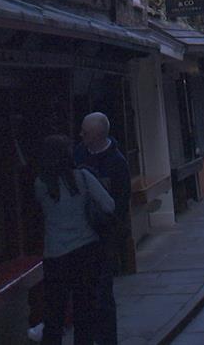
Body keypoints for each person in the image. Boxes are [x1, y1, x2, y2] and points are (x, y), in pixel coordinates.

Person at [35, 134, 114, 345]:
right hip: (85, 250)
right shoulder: (82, 178)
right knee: (84, 311)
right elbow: (109, 205)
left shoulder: (41, 184)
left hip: (55, 255)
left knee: (54, 314)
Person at [74, 112, 131, 345]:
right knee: (84, 296)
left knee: (103, 295)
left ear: (97, 136)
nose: (81, 135)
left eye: (85, 133)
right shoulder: (77, 155)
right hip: (80, 236)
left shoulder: (117, 163)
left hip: (103, 238)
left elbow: (120, 204)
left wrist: (111, 235)